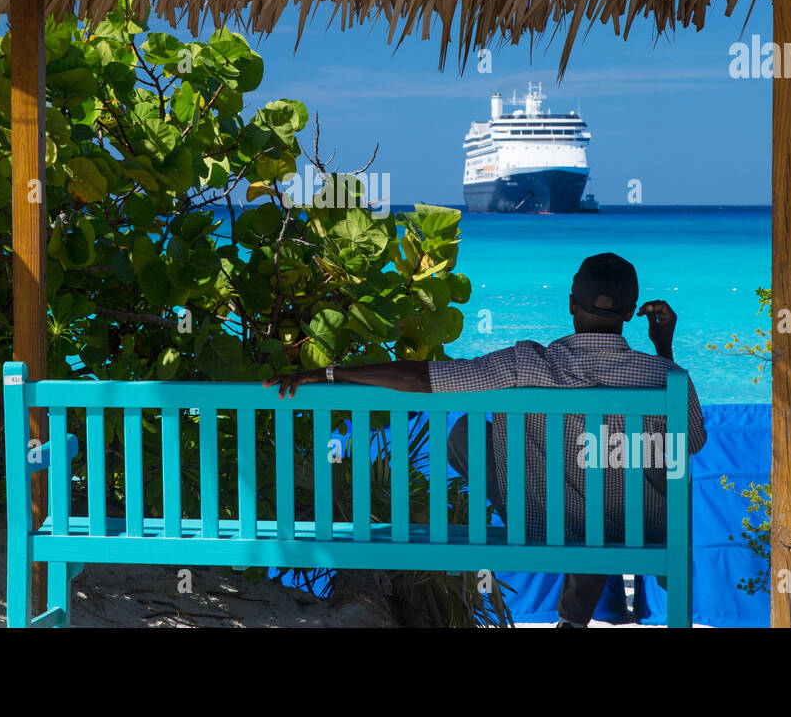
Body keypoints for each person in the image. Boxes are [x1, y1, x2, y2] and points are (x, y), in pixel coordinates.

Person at [263, 252, 706, 627]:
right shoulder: (666, 377)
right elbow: (693, 443)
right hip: (644, 531)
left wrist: (326, 373)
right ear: (631, 313)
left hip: (545, 527)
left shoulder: (527, 363)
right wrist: (664, 350)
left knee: (469, 434)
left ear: (571, 303)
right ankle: (576, 616)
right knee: (609, 481)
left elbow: (424, 378)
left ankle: (565, 593)